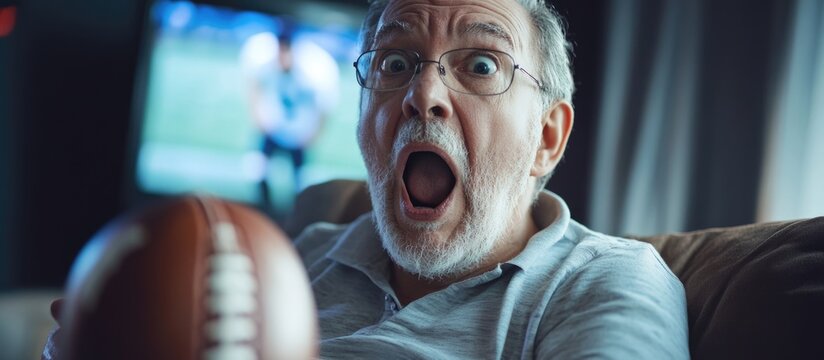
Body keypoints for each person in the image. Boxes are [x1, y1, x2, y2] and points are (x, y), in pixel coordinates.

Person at [294, 0, 689, 358]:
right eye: (394, 64)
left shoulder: (606, 281)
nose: (423, 93)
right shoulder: (303, 256)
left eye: (482, 66)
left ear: (546, 137)